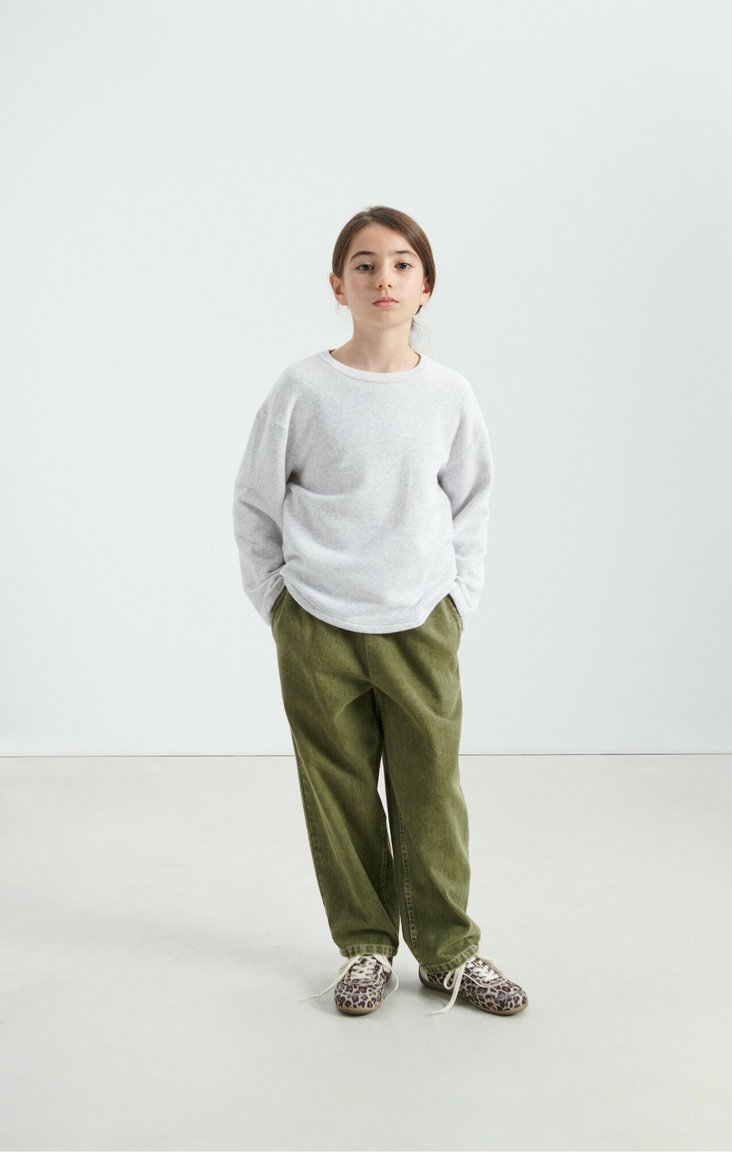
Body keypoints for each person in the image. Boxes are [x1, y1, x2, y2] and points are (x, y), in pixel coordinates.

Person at [232, 205, 527, 1018]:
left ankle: (448, 953)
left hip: (419, 622)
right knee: (340, 792)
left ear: (426, 286)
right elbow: (255, 502)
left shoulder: (448, 394)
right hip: (317, 623)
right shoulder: (302, 389)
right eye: (364, 265)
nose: (383, 279)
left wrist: (457, 600)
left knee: (432, 792)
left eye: (401, 264)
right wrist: (277, 602)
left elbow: (472, 502)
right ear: (338, 285)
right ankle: (364, 946)